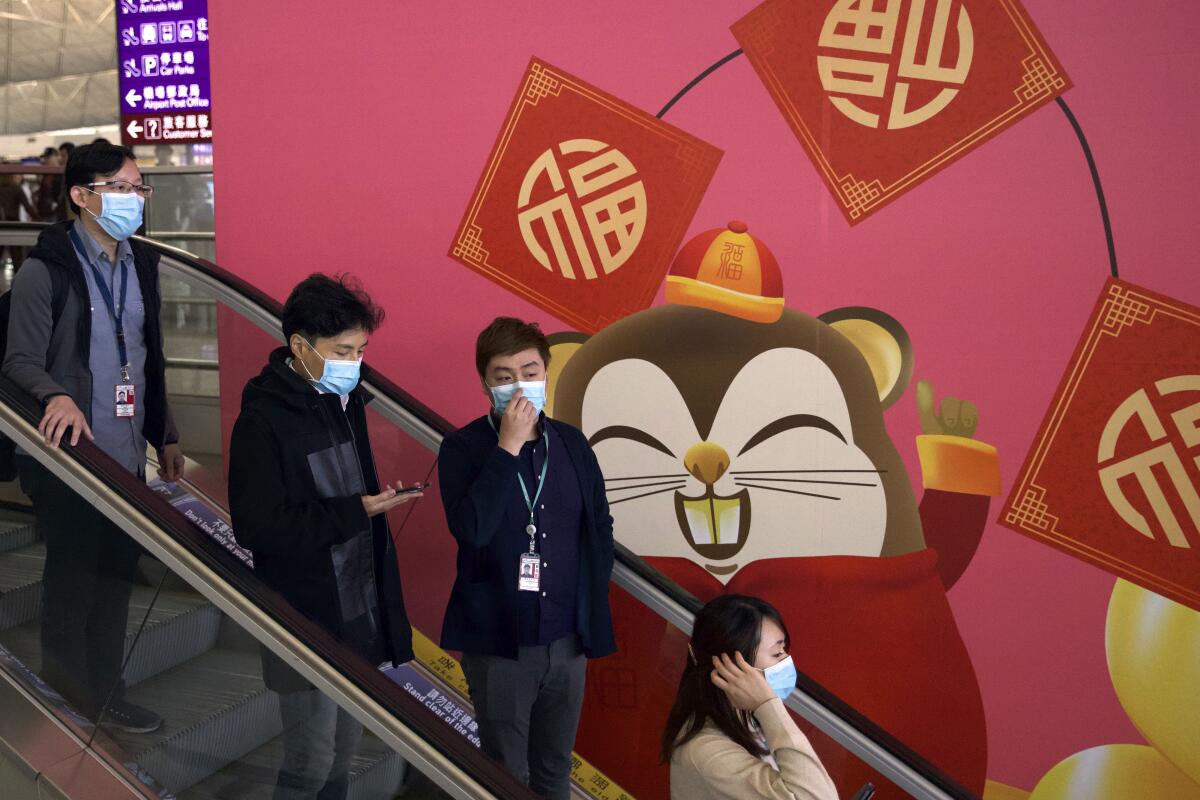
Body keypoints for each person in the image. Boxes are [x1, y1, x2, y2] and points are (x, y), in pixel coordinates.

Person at [2, 141, 184, 733]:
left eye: (139, 188)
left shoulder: (141, 263)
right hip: (70, 460)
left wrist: (166, 433)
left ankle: (107, 695)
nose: (135, 200)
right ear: (82, 197)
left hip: (126, 456)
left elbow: (148, 359)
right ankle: (65, 704)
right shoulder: (44, 272)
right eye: (122, 188)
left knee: (113, 586)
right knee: (73, 585)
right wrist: (54, 393)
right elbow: (19, 361)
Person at [228, 273, 417, 800]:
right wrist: (353, 512)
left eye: (359, 350)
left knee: (344, 752)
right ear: (299, 346)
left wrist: (368, 509)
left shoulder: (346, 399)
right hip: (306, 613)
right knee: (311, 758)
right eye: (342, 351)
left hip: (359, 603)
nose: (353, 363)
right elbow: (257, 527)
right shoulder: (262, 420)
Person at [438, 316, 616, 800]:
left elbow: (599, 527)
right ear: (484, 384)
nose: (519, 385)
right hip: (500, 642)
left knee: (555, 771)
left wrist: (588, 604)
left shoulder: (573, 445)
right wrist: (508, 446)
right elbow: (471, 529)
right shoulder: (462, 448)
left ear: (546, 372)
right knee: (504, 776)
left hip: (567, 639)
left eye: (530, 370)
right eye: (503, 376)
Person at [662, 595, 837, 800]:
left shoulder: (745, 718)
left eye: (783, 649)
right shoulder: (706, 753)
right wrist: (767, 705)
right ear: (732, 668)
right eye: (776, 654)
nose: (786, 660)